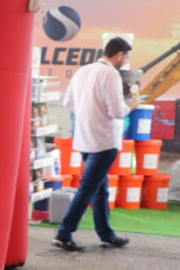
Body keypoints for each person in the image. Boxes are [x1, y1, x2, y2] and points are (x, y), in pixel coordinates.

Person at [53, 36, 139, 251]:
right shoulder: (111, 74)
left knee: (100, 188)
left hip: (85, 138)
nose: (125, 62)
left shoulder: (83, 71)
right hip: (104, 141)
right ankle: (64, 234)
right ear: (118, 55)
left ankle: (106, 234)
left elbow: (68, 103)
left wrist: (89, 113)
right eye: (126, 57)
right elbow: (117, 111)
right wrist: (133, 104)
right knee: (88, 189)